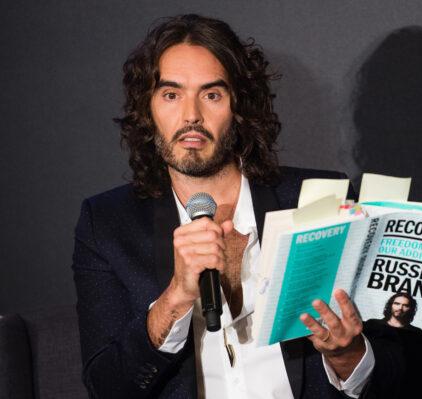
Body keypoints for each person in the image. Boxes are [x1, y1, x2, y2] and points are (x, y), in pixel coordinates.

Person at [72, 14, 404, 398]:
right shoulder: (107, 224)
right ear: (147, 110)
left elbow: (400, 361)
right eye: (171, 94)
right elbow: (107, 386)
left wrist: (347, 355)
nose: (191, 115)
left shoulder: (323, 199)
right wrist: (175, 297)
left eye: (212, 94)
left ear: (239, 106)